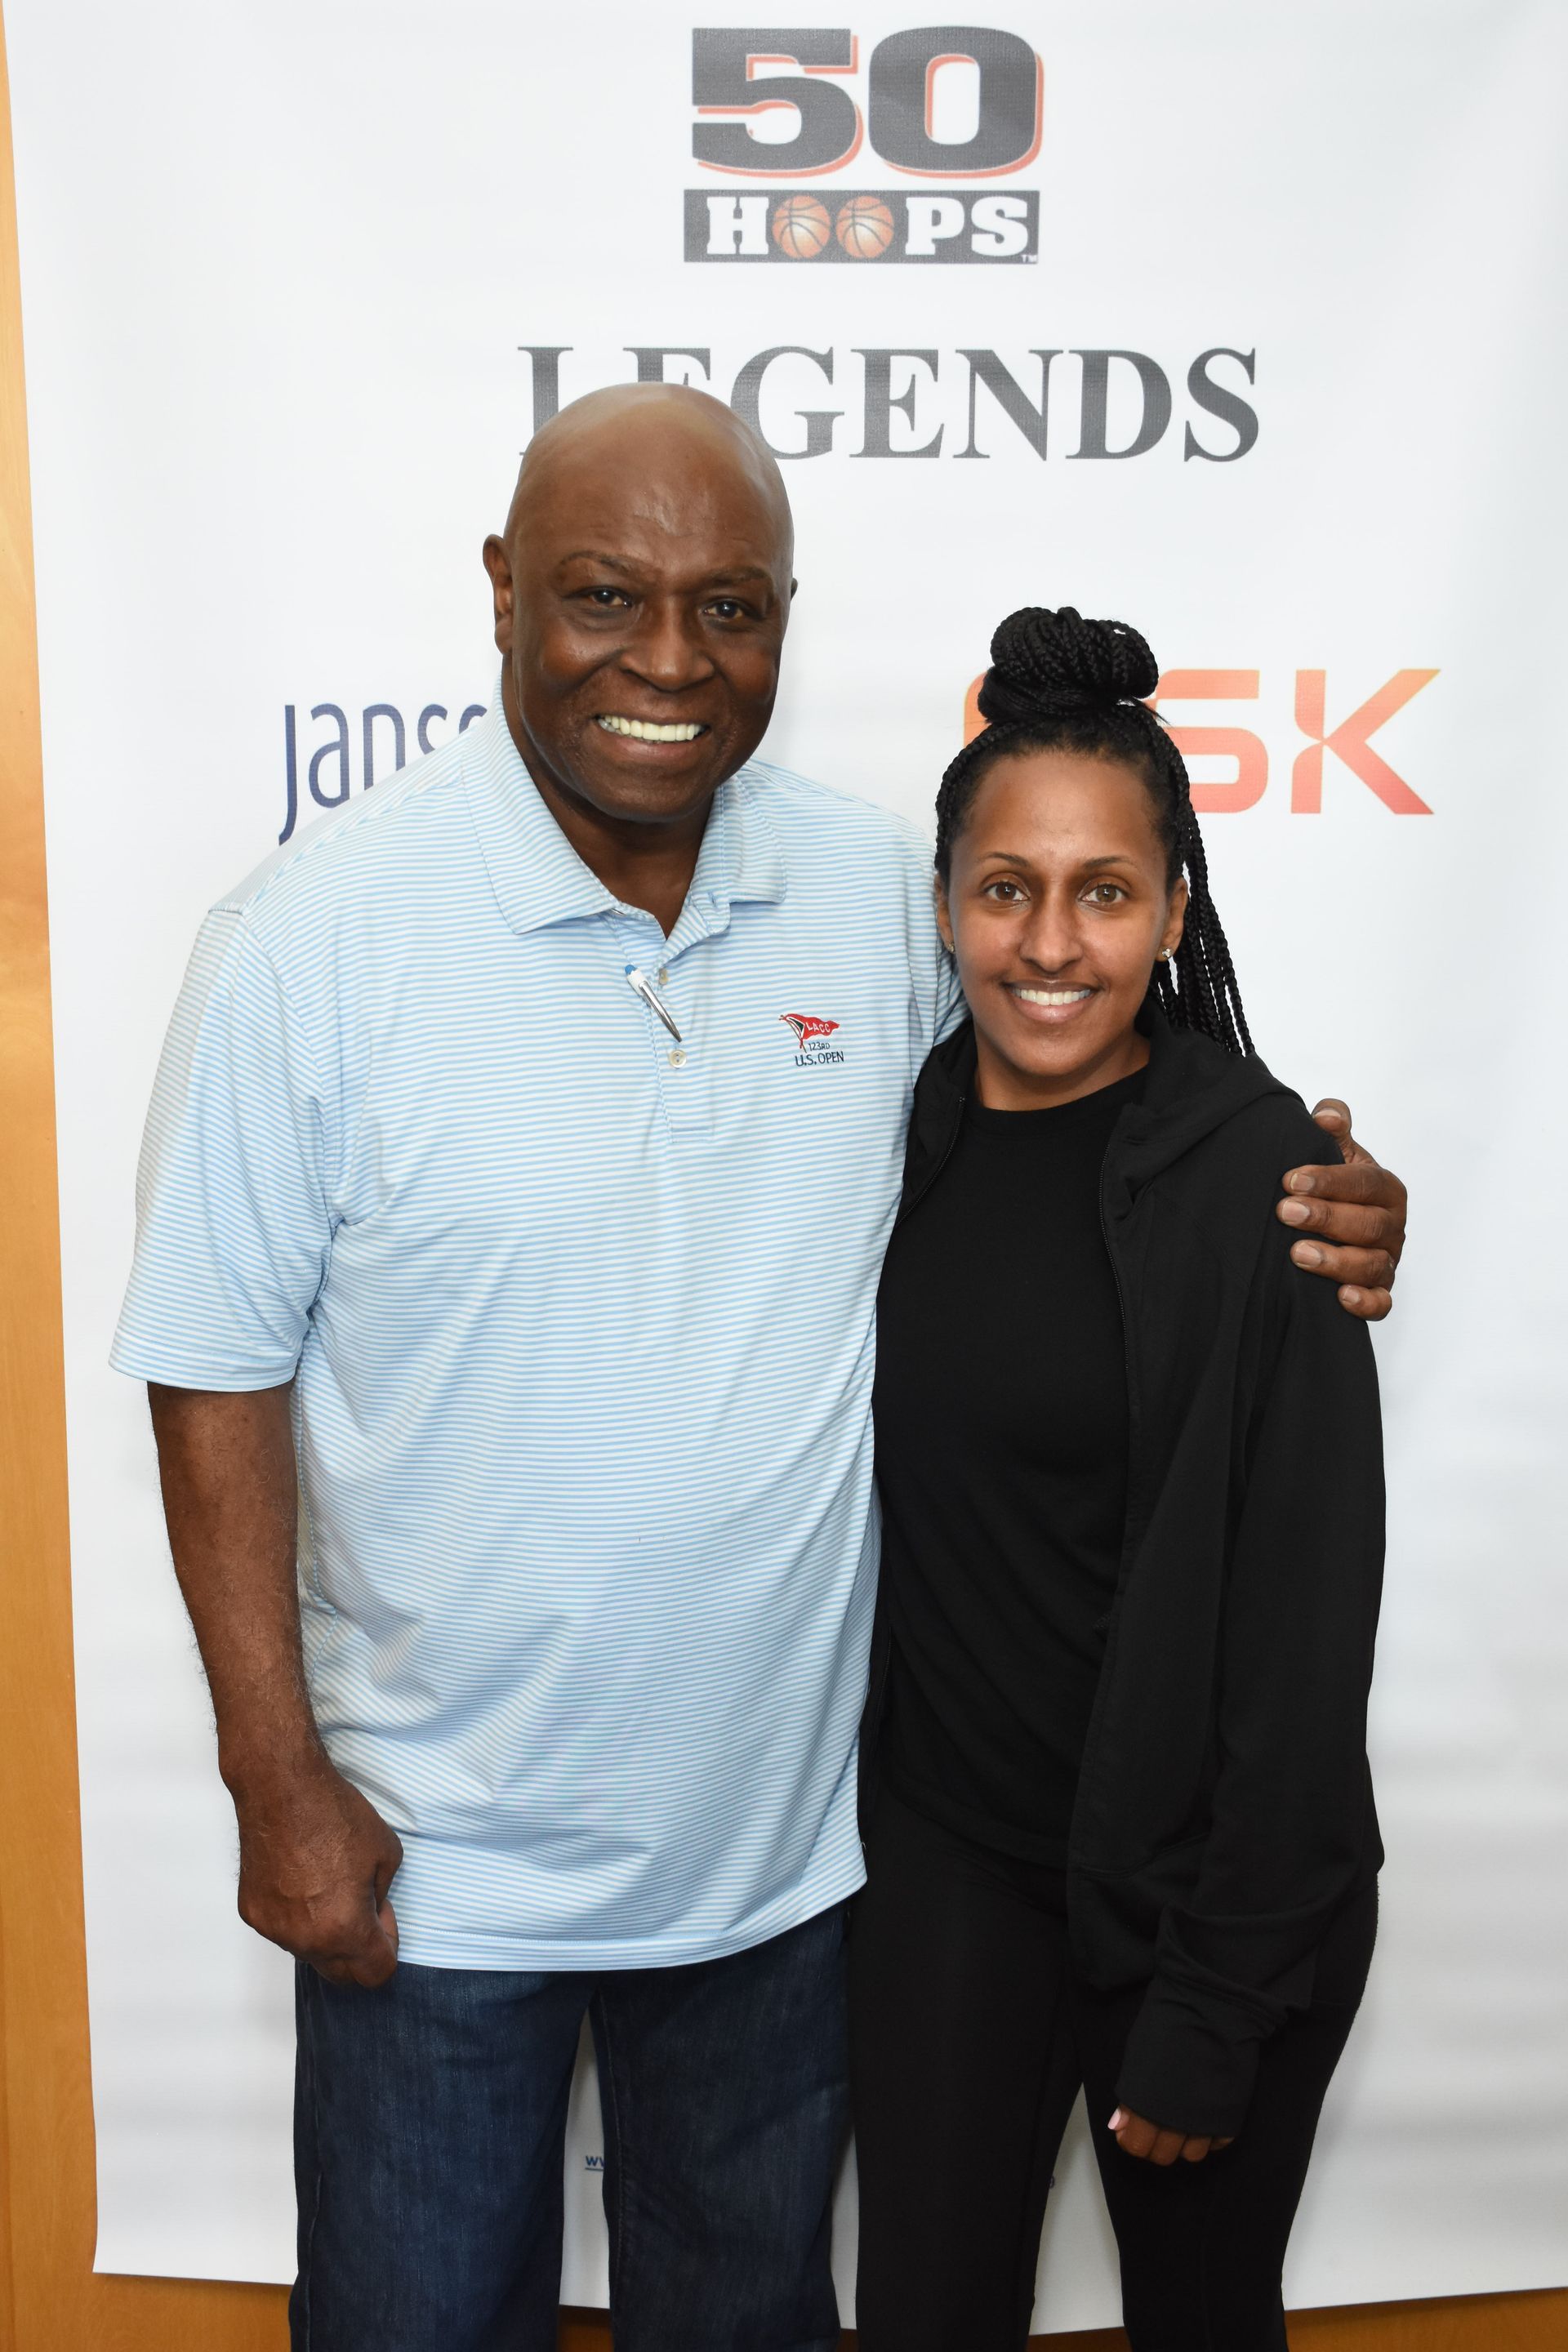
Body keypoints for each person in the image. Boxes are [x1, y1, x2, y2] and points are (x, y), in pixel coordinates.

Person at [111, 389, 1406, 2352]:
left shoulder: (885, 895)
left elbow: (1095, 1058)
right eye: (602, 596)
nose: (666, 661)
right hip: (433, 1876)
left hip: (789, 1886)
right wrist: (276, 1783)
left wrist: (1308, 1190)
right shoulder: (309, 944)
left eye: (728, 608)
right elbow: (213, 1372)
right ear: (501, 592)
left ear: (784, 623)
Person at [849, 604, 1387, 2352]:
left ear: (1172, 910)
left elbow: (1306, 1631)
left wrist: (1221, 1999)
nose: (1050, 943)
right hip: (952, 1870)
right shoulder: (887, 1133)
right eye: (1006, 889)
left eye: (1104, 892)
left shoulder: (1262, 1183)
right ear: (947, 904)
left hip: (1207, 1894)